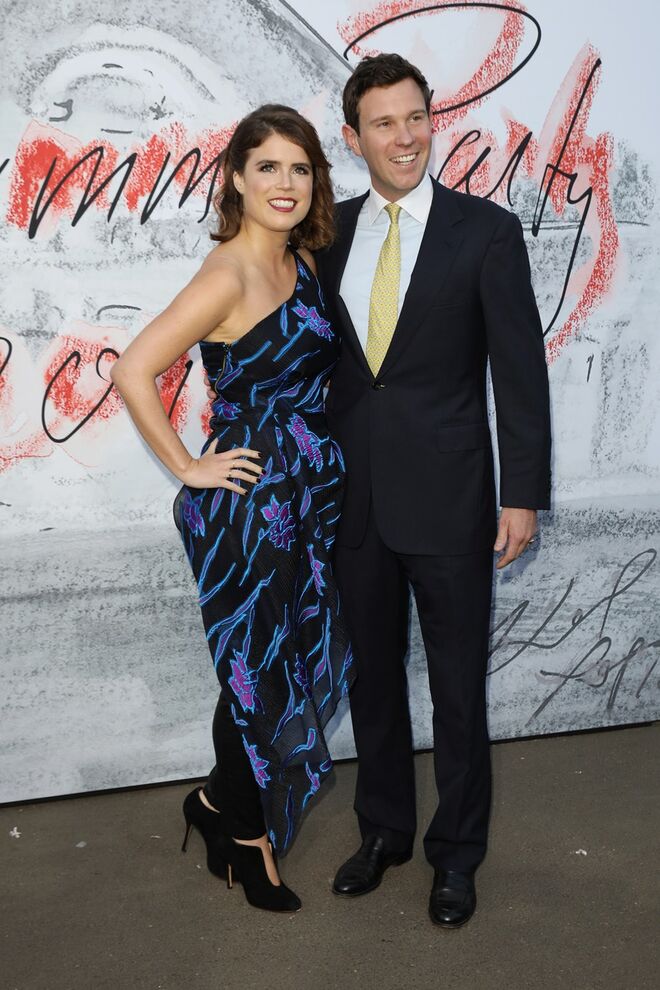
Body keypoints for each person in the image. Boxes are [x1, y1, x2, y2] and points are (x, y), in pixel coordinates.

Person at [319, 54, 552, 927]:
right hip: (354, 503)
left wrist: (521, 494)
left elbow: (519, 375)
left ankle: (457, 855)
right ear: (355, 137)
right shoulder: (324, 231)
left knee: (458, 691)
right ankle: (383, 833)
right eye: (383, 122)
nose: (404, 136)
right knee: (372, 683)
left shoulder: (485, 231)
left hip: (454, 501)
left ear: (431, 120)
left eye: (415, 116)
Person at [110, 105, 354, 914]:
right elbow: (135, 368)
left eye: (300, 167)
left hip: (309, 491)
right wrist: (186, 466)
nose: (285, 183)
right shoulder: (228, 273)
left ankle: (214, 801)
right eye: (268, 168)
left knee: (286, 656)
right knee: (256, 667)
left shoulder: (306, 262)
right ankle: (244, 837)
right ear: (237, 180)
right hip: (248, 500)